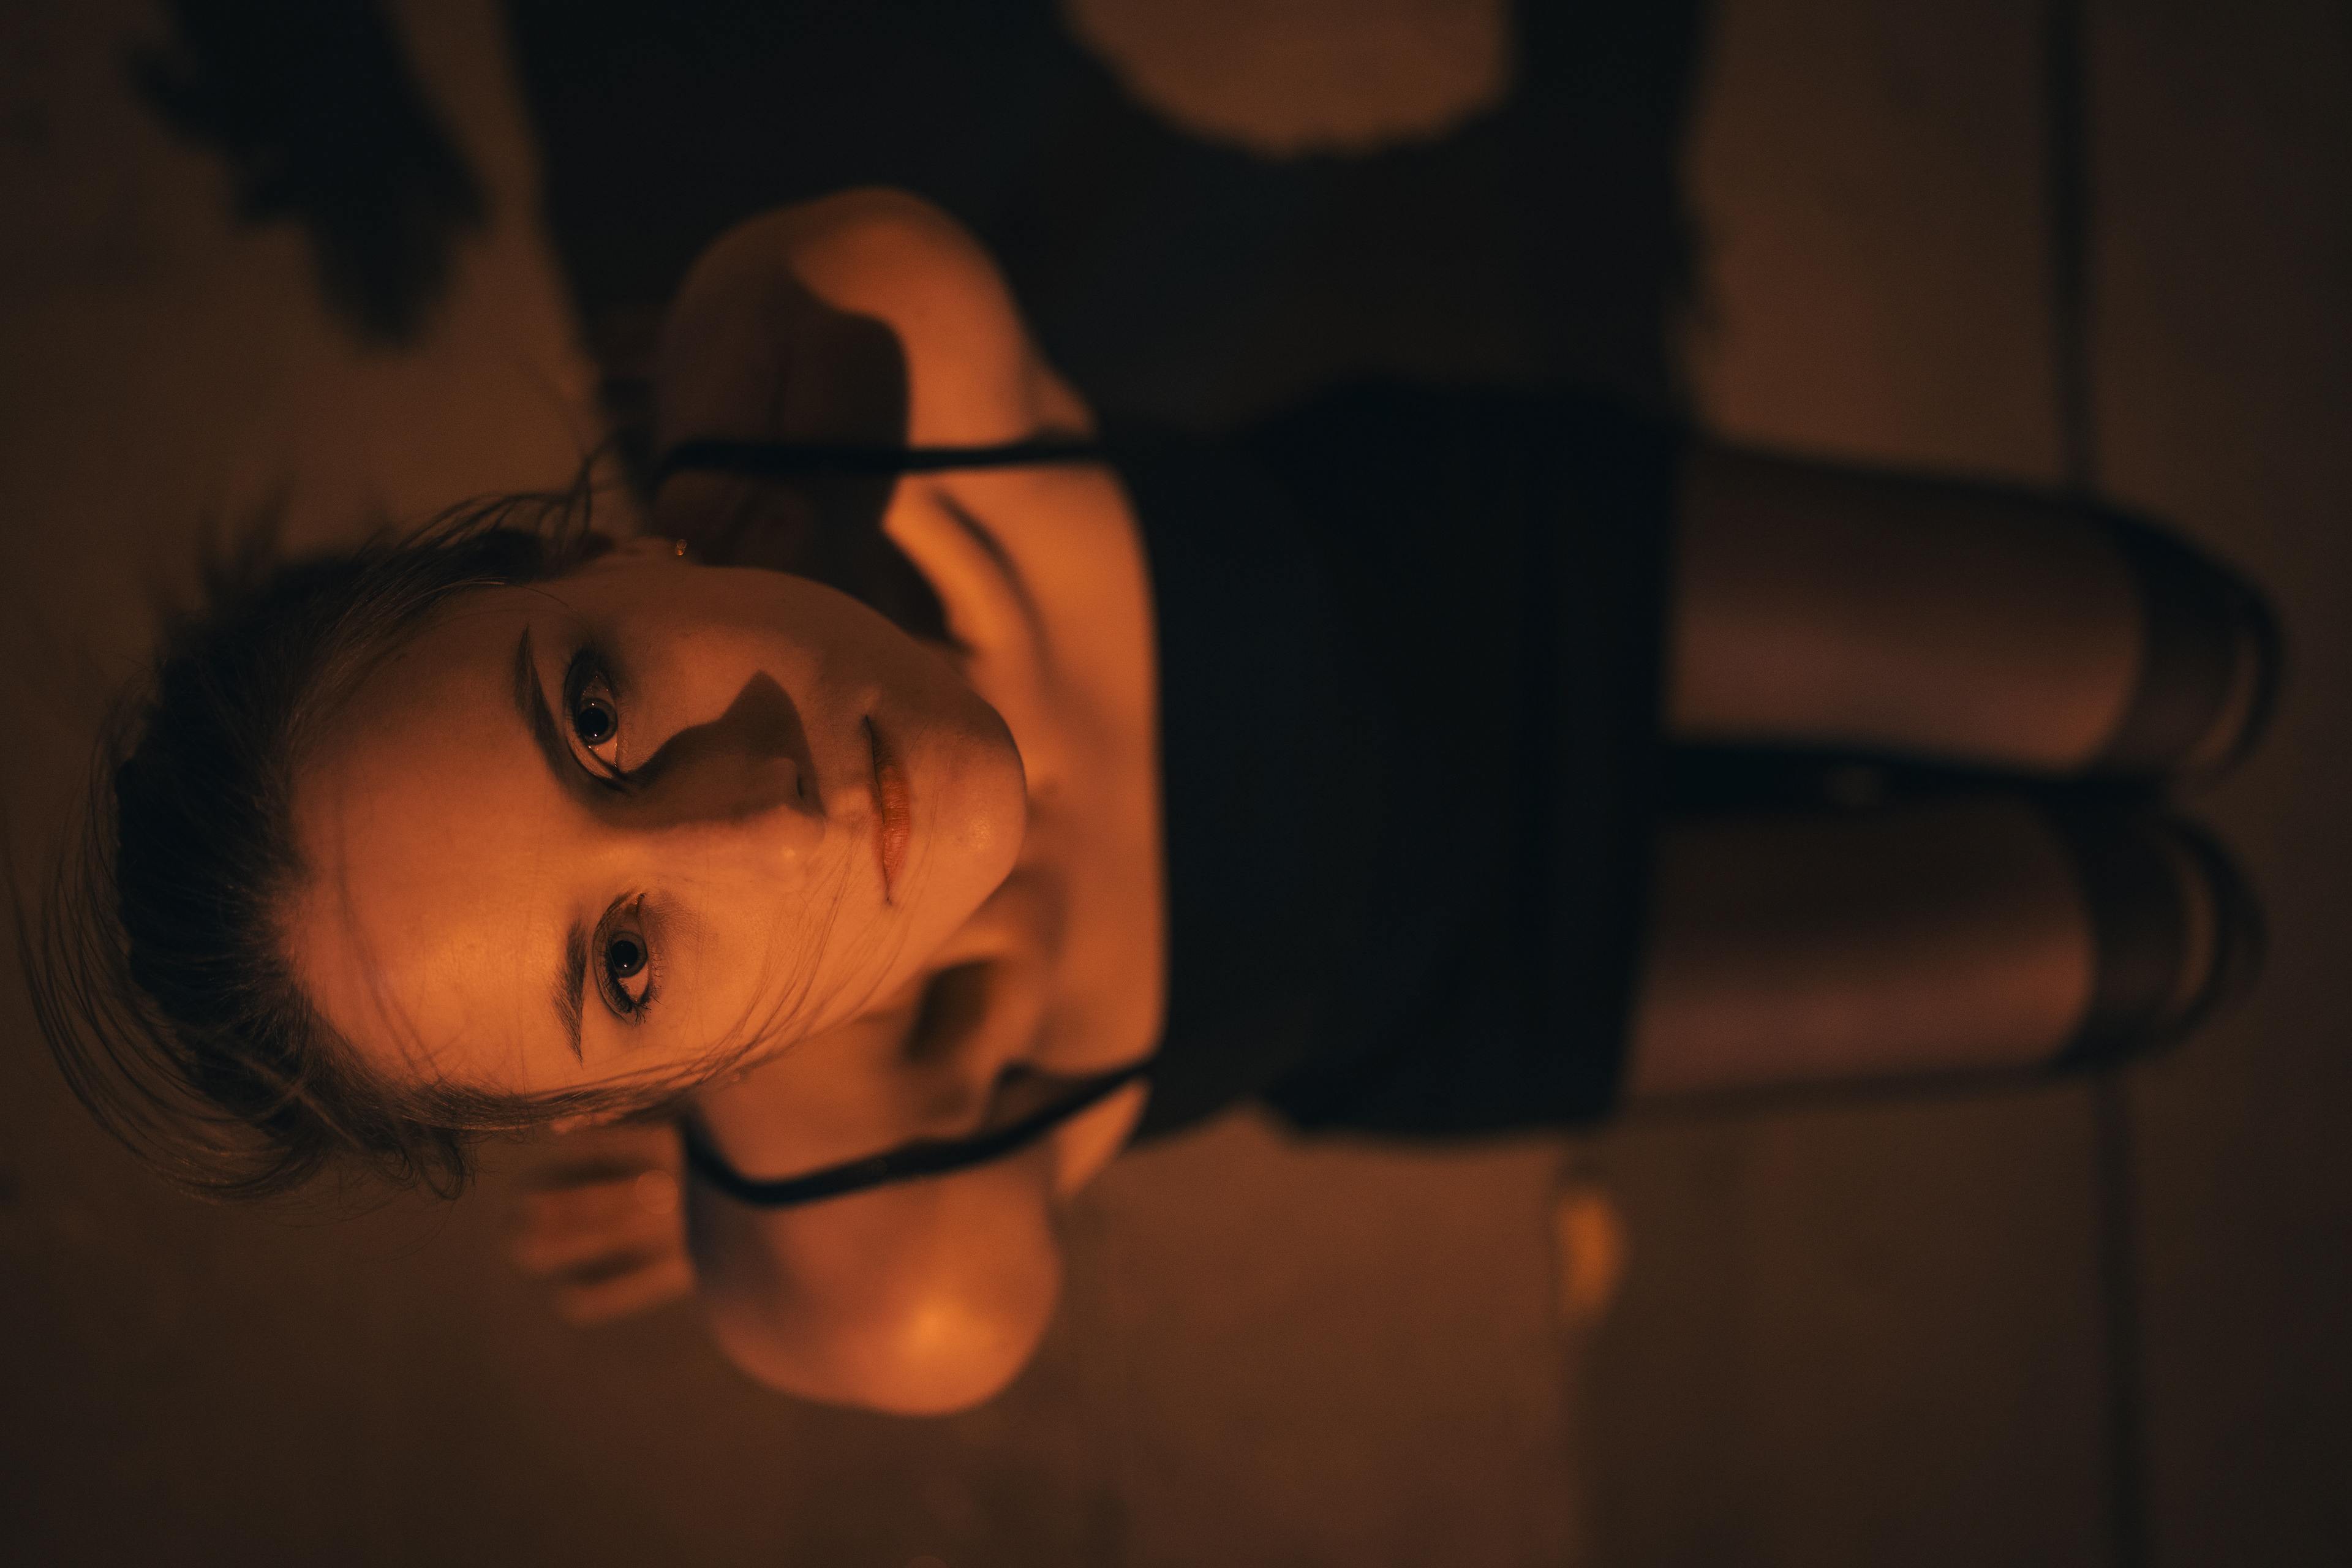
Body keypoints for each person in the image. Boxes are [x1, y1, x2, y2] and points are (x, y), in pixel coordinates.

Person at [31, 189, 2275, 1415]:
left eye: (600, 711)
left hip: (1499, 571)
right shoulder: (888, 1280)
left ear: (593, 542)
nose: (771, 822)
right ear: (627, 1102)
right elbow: (795, 1233)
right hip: (1471, 993)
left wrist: (664, 1081)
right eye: (626, 964)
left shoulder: (849, 337)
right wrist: (744, 1212)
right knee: (2156, 950)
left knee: (2202, 660)